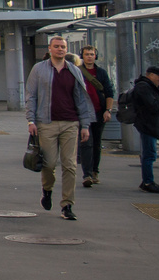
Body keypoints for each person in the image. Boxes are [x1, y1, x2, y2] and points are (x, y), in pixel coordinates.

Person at [26, 36, 95, 220]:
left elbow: (81, 99)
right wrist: (30, 121)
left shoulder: (73, 71)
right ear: (49, 49)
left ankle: (67, 205)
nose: (60, 50)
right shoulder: (39, 70)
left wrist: (84, 125)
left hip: (70, 123)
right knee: (48, 164)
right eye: (56, 47)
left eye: (63, 47)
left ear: (67, 49)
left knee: (70, 165)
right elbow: (31, 96)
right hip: (46, 123)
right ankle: (47, 190)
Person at [129, 65, 159, 193]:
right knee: (149, 154)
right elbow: (153, 106)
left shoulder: (148, 86)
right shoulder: (144, 87)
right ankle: (148, 182)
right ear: (151, 75)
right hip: (147, 124)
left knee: (149, 153)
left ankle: (147, 181)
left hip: (149, 123)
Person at [77, 46, 114, 188]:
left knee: (97, 143)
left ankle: (94, 171)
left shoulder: (101, 73)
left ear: (95, 56)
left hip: (99, 112)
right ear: (82, 56)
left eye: (92, 54)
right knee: (86, 142)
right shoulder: (77, 71)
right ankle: (87, 174)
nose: (89, 57)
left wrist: (108, 110)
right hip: (84, 113)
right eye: (86, 54)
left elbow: (109, 92)